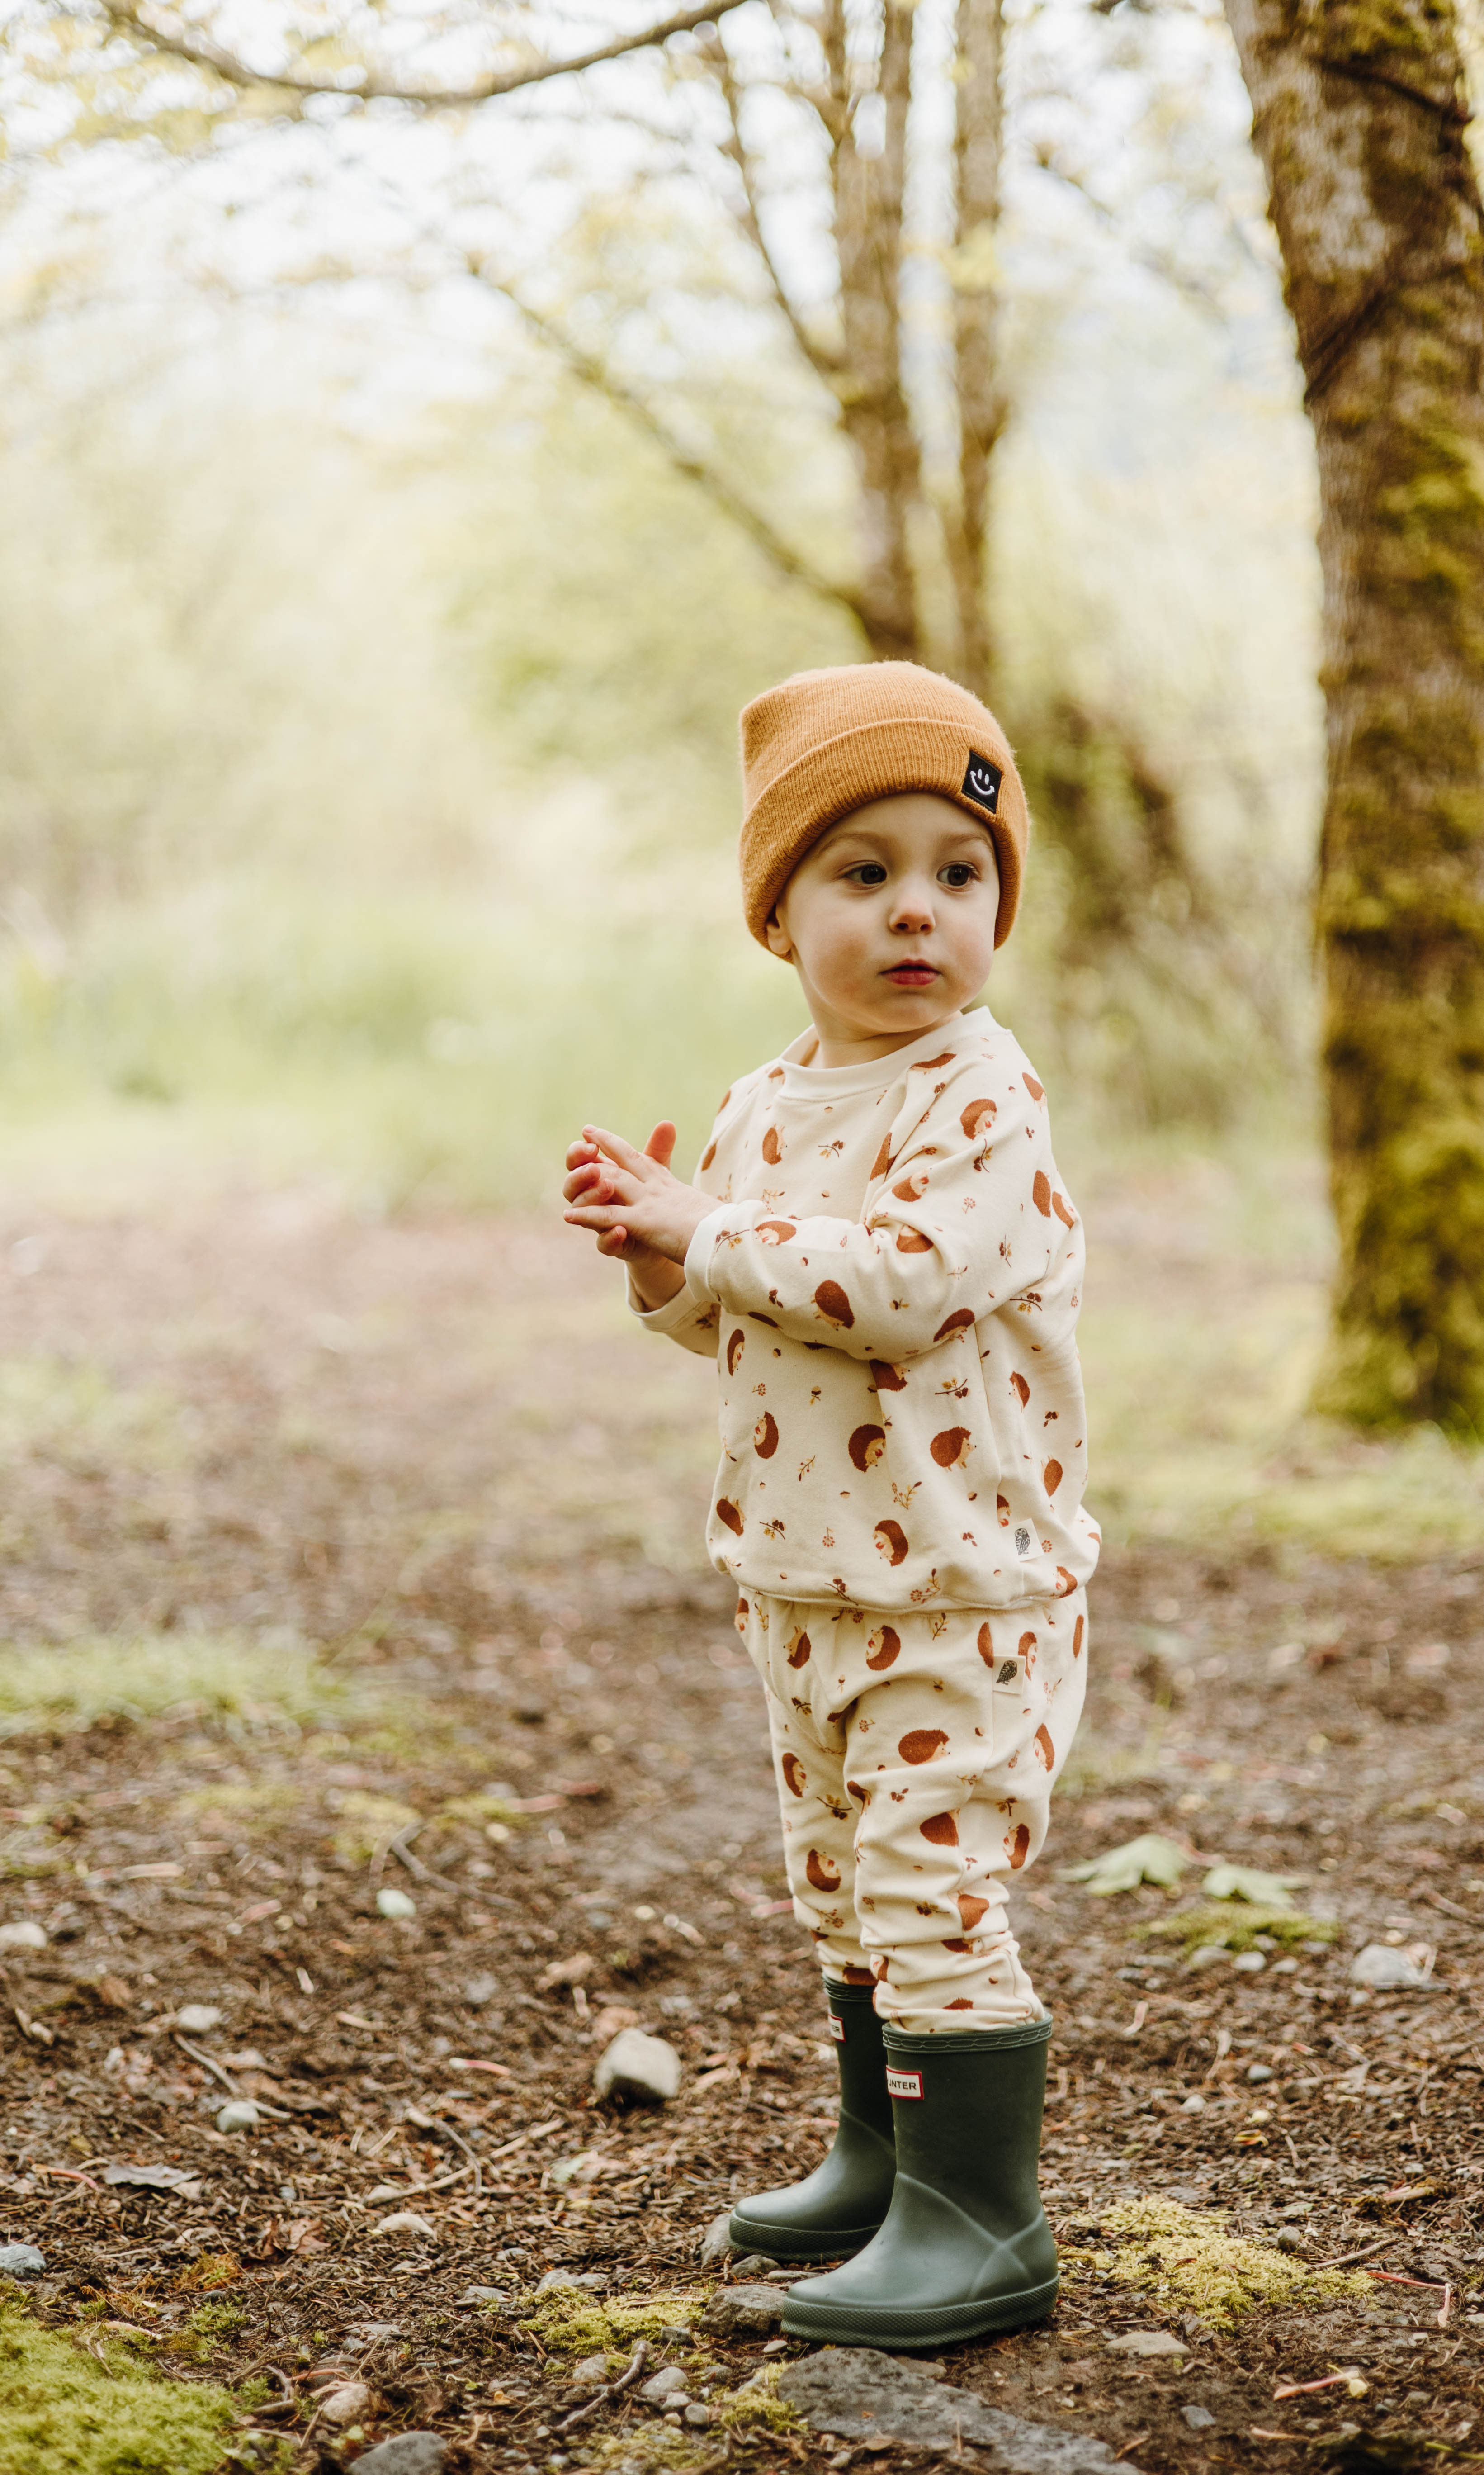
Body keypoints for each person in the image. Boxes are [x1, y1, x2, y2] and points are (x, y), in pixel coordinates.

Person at [562, 661, 1099, 2347]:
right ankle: (885, 2159)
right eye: (861, 874)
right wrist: (663, 1257)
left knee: (935, 1886)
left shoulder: (982, 1097)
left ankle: (982, 2220)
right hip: (799, 1575)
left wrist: (708, 1233)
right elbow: (741, 1314)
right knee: (844, 1880)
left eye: (958, 871)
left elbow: (902, 1288)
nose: (917, 912)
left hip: (963, 1582)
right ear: (780, 915)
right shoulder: (762, 1106)